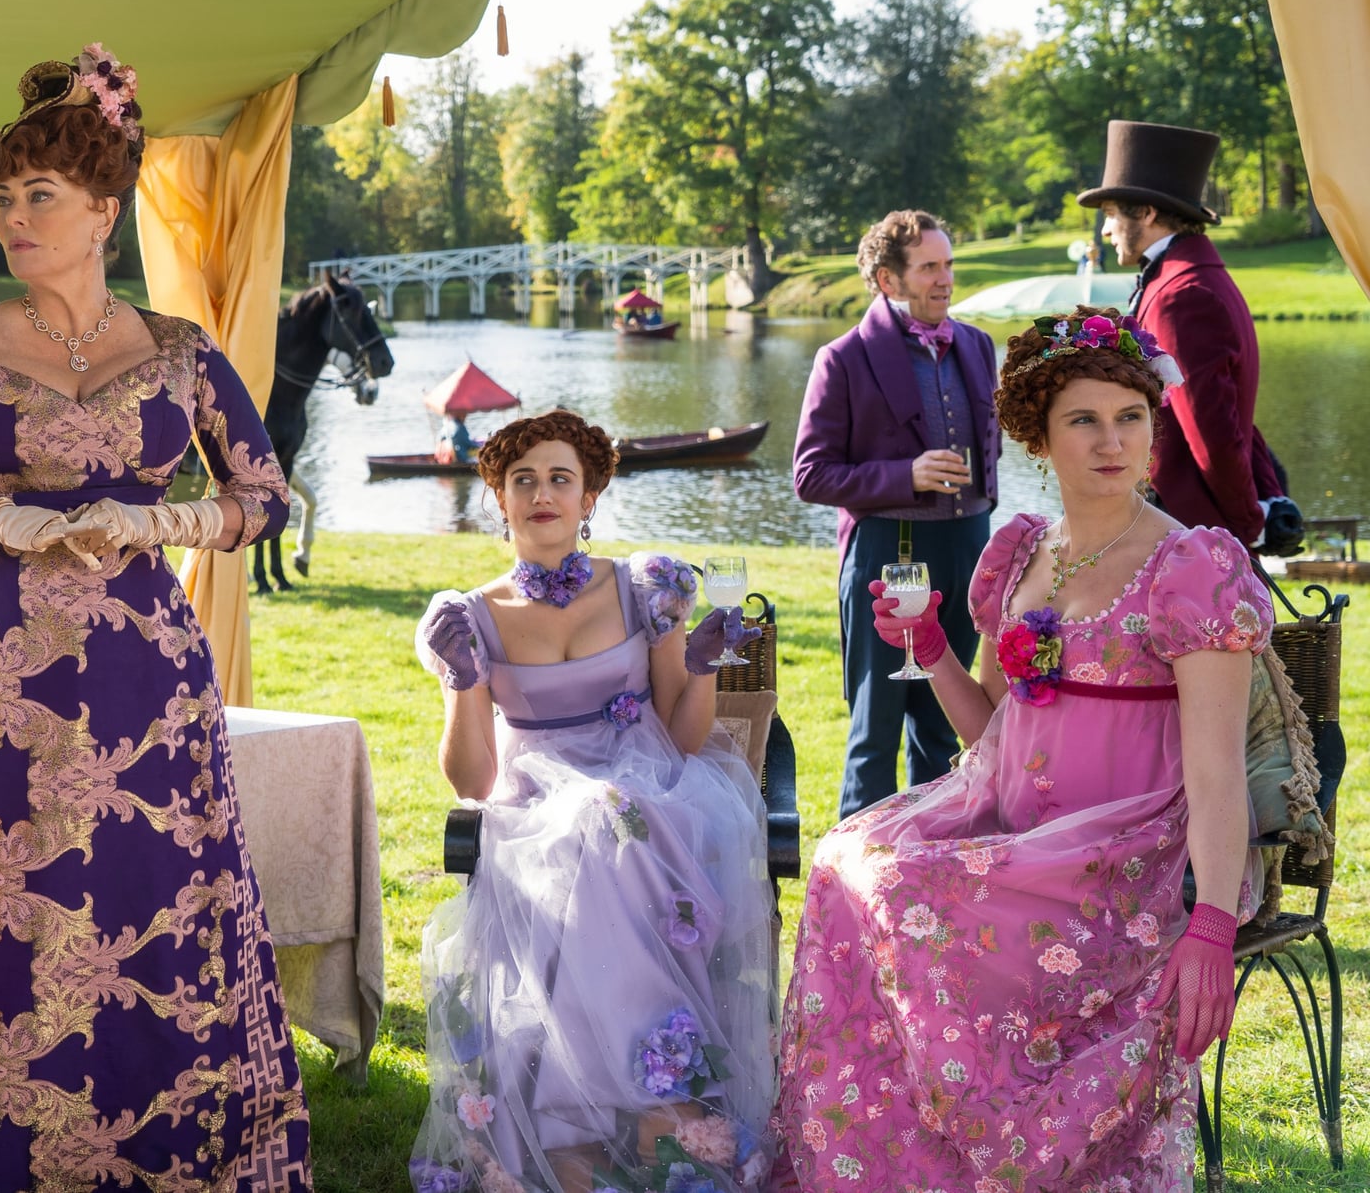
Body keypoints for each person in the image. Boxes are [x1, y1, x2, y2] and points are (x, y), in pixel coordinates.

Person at [0, 43, 310, 1190]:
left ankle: (168, 1154)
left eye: (37, 196)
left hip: (147, 677)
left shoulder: (180, 352)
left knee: (150, 897)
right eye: (1, 200)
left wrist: (166, 527)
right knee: (5, 919)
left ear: (104, 211)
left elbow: (263, 495)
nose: (12, 218)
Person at [773, 305, 1270, 1192]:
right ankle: (888, 1164)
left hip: (1111, 854)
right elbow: (995, 734)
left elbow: (1215, 770)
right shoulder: (1024, 554)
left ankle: (992, 1156)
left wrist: (1214, 923)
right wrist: (928, 649)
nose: (1112, 441)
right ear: (1040, 436)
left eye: (1131, 417)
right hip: (1007, 821)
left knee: (910, 896)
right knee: (846, 859)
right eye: (1084, 419)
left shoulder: (1189, 567)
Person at [410, 409, 776, 1193]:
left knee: (608, 820)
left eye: (561, 479)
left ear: (590, 497)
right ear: (497, 499)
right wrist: (464, 682)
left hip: (648, 785)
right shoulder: (467, 616)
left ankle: (581, 1124)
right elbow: (472, 781)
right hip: (535, 800)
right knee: (587, 827)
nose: (542, 493)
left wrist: (704, 667)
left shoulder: (644, 584)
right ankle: (643, 1110)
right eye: (523, 480)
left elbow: (680, 737)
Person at [793, 211, 999, 819]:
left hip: (969, 548)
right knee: (875, 730)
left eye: (949, 264)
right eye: (929, 267)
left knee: (946, 726)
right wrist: (904, 476)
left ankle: (929, 874)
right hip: (891, 552)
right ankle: (853, 886)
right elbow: (811, 474)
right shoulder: (844, 358)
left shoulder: (977, 344)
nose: (945, 279)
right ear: (888, 279)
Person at [1083, 119, 1276, 549]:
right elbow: (1230, 413)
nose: (1106, 229)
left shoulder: (1181, 296)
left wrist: (1249, 522)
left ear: (1148, 213)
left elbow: (1215, 430)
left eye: (1112, 214)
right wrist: (1267, 497)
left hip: (1189, 534)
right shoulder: (1187, 279)